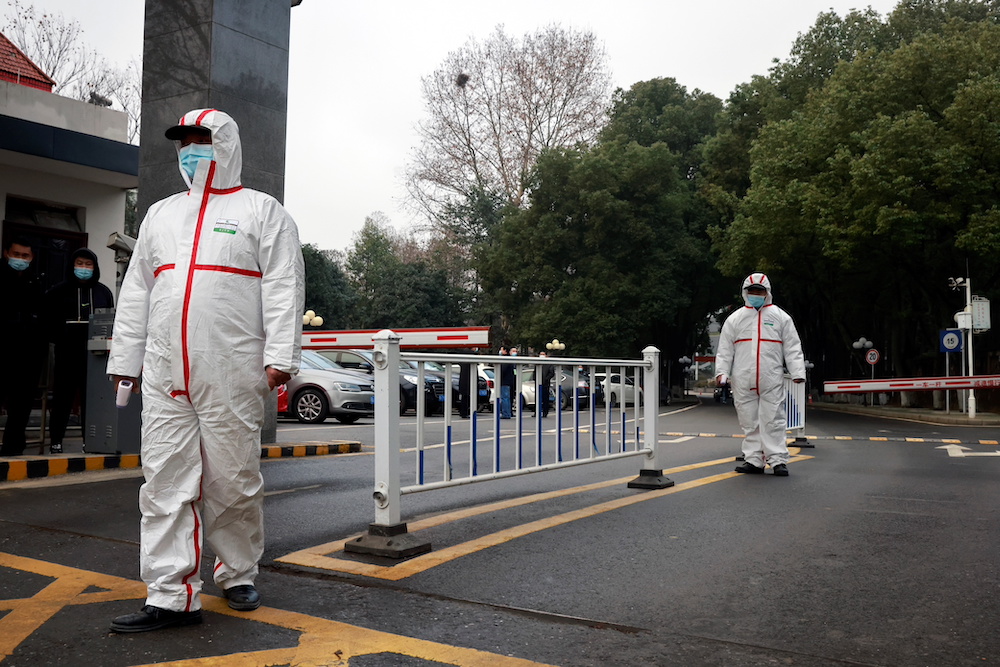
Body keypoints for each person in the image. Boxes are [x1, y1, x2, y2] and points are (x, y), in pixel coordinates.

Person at [106, 109, 305, 633]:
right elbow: (138, 293)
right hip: (165, 371)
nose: (191, 150)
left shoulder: (263, 212)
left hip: (230, 369)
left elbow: (283, 285)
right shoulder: (160, 215)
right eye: (184, 142)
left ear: (225, 144)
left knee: (233, 480)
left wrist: (280, 356)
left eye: (201, 139)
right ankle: (169, 596)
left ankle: (237, 571)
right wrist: (125, 361)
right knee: (164, 482)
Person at [715, 272, 805, 477]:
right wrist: (722, 372)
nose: (756, 294)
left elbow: (792, 347)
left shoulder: (781, 317)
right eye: (752, 291)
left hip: (771, 378)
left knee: (773, 419)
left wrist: (797, 371)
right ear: (745, 293)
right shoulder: (735, 319)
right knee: (749, 420)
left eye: (760, 291)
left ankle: (778, 460)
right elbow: (725, 349)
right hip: (742, 378)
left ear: (767, 293)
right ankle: (754, 460)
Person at [45, 249, 115, 454]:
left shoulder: (103, 292)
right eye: (80, 263)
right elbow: (48, 322)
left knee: (92, 399)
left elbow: (110, 320)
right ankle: (56, 440)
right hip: (66, 353)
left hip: (95, 356)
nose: (83, 268)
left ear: (95, 267)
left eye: (88, 264)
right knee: (62, 398)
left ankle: (91, 441)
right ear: (72, 265)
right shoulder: (58, 291)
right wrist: (61, 335)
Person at [0, 236, 47, 457]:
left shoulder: (35, 282)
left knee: (21, 404)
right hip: (3, 350)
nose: (20, 259)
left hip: (28, 355)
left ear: (32, 257)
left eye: (25, 256)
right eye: (16, 254)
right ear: (6, 253)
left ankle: (14, 447)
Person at [535, 351, 556, 418]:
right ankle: (536, 412)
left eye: (543, 354)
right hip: (538, 383)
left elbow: (551, 373)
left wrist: (546, 379)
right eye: (540, 354)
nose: (542, 355)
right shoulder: (537, 363)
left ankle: (545, 412)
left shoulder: (549, 363)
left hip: (545, 383)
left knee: (545, 398)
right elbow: (534, 372)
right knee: (537, 398)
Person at [498, 345, 515, 419]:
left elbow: (502, 370)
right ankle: (507, 412)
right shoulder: (510, 359)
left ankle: (506, 413)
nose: (500, 351)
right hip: (508, 381)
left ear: (505, 351)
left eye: (501, 350)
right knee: (507, 398)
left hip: (504, 381)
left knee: (505, 398)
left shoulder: (505, 359)